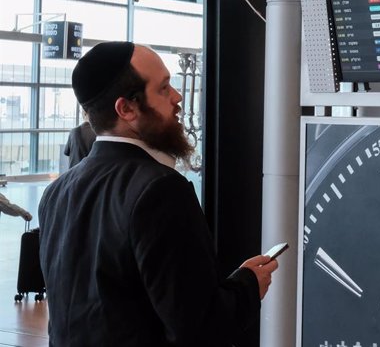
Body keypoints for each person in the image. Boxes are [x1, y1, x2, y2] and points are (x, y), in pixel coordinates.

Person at [39, 41, 278, 346]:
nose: (178, 97)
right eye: (164, 88)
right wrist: (248, 285)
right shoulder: (161, 190)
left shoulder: (57, 192)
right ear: (126, 108)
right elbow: (197, 325)